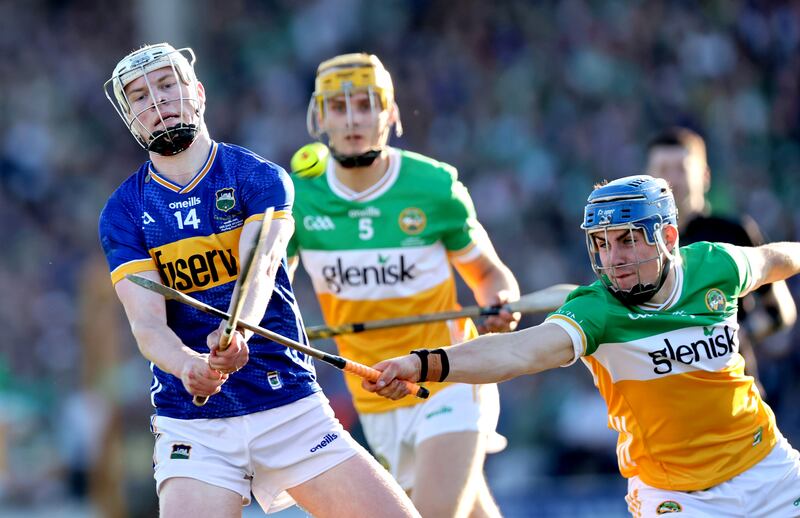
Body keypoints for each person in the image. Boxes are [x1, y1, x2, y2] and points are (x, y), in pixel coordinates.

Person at [98, 43, 418, 518]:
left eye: (167, 85)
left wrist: (235, 331)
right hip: (194, 424)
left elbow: (259, 269)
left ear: (197, 93)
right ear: (131, 116)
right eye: (140, 96)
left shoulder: (258, 178)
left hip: (287, 404)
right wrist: (188, 365)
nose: (157, 101)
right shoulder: (123, 211)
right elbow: (147, 326)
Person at [366, 175, 800, 517]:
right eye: (602, 243)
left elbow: (772, 260)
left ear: (668, 238)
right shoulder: (596, 311)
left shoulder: (716, 264)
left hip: (768, 467)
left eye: (628, 239)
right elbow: (517, 352)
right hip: (678, 498)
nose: (613, 258)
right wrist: (421, 363)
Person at [287, 53, 520, 518]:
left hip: (447, 374)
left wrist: (499, 302)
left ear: (389, 113)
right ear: (319, 118)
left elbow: (491, 276)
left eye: (366, 104)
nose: (353, 118)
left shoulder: (434, 186)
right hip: (375, 388)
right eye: (339, 107)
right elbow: (269, 290)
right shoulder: (296, 199)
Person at [647, 127, 797, 394]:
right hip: (670, 401)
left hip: (734, 395)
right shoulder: (638, 247)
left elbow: (781, 310)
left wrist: (740, 332)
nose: (670, 180)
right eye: (662, 169)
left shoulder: (731, 233)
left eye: (680, 169)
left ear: (704, 176)